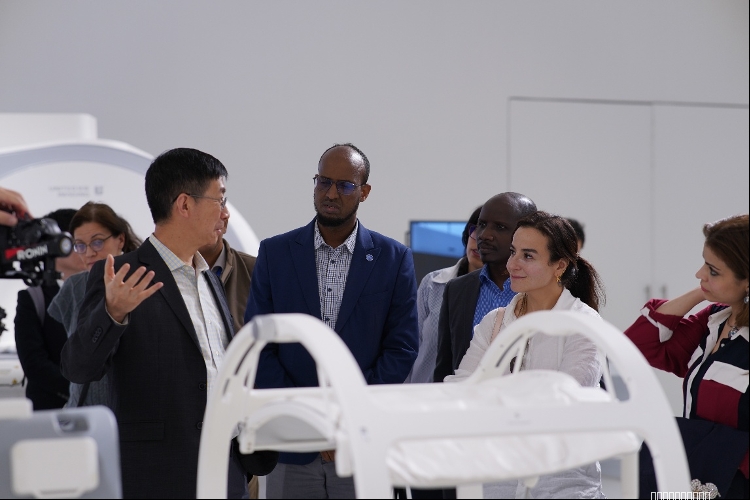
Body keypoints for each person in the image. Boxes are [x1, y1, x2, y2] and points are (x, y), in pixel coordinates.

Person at [60, 148, 248, 499]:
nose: (225, 213)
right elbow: (78, 367)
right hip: (158, 477)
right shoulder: (121, 274)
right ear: (184, 204)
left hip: (226, 474)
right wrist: (112, 313)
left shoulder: (209, 278)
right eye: (220, 200)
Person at [245, 143, 419, 499]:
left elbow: (401, 348)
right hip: (292, 441)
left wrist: (347, 419)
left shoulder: (392, 258)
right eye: (323, 181)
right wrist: (309, 422)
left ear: (364, 192)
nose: (331, 193)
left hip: (360, 442)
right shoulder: (275, 253)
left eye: (345, 185)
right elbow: (258, 343)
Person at [445, 211, 606, 498]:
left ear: (559, 265)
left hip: (561, 485)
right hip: (495, 482)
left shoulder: (583, 323)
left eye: (528, 256)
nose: (512, 264)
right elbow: (462, 389)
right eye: (513, 252)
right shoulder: (494, 322)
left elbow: (565, 402)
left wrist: (492, 402)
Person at [624, 214, 748, 499]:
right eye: (704, 263)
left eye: (713, 270)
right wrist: (704, 291)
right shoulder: (716, 319)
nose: (699, 274)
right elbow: (640, 346)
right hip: (696, 480)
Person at [433, 192, 537, 384]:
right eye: (481, 225)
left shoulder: (544, 289)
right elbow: (445, 368)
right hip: (467, 399)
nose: (484, 235)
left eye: (500, 227)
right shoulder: (457, 289)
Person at [48, 202, 141, 408]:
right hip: (81, 408)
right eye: (80, 245)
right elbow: (72, 353)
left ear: (120, 240)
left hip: (128, 409)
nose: (88, 252)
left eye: (97, 242)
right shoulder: (73, 287)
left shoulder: (140, 283)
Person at [14, 208, 86, 410]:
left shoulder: (103, 290)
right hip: (52, 411)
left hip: (101, 411)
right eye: (75, 242)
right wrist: (79, 390)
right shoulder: (33, 298)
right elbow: (35, 363)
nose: (83, 250)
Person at [405, 206, 483, 384]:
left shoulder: (511, 293)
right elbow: (409, 345)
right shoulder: (433, 283)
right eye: (476, 230)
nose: (479, 241)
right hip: (422, 392)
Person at [197, 207, 256, 334]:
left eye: (222, 202)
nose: (225, 214)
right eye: (211, 203)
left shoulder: (262, 273)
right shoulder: (158, 273)